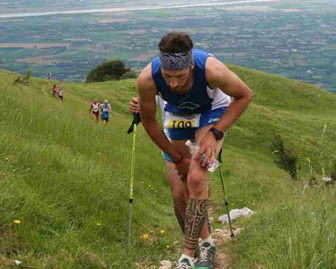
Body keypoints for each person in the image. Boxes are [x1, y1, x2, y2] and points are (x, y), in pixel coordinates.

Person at [137, 32, 252, 269]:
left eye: (179, 76)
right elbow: (149, 122)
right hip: (177, 115)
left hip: (211, 112)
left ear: (190, 65)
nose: (173, 84)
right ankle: (203, 242)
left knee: (197, 177)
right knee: (180, 194)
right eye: (168, 77)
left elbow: (244, 95)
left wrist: (216, 133)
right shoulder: (147, 78)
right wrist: (178, 158)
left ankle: (188, 256)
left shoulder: (212, 70)